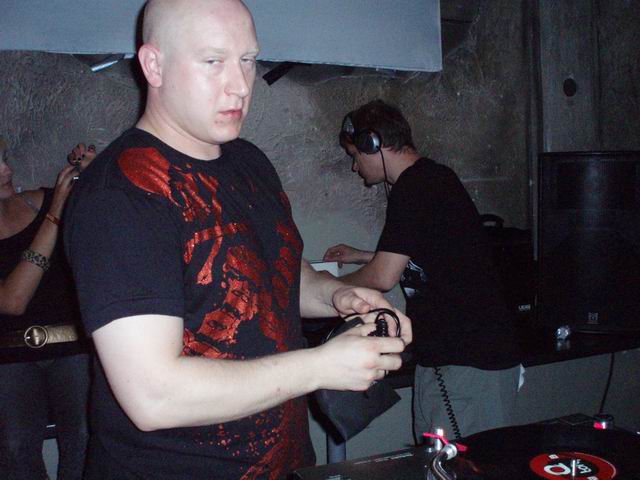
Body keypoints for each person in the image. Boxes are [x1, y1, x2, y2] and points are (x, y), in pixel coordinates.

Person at [64, 1, 411, 479]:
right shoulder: (121, 195)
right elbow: (153, 396)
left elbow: (280, 270)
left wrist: (337, 295)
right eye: (213, 61)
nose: (241, 85)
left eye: (247, 60)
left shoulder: (249, 162)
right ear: (154, 65)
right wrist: (320, 366)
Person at [323, 99, 521, 442]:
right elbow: (429, 254)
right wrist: (362, 256)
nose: (355, 167)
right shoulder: (428, 180)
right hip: (452, 361)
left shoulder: (416, 186)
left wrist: (329, 286)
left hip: (470, 363)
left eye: (355, 155)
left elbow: (384, 276)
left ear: (373, 144)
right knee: (433, 462)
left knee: (459, 465)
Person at [0, 139, 95, 479]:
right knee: (14, 447)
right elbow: (12, 301)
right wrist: (55, 213)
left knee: (86, 439)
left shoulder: (46, 198)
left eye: (3, 158)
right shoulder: (54, 205)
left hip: (74, 347)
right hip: (8, 357)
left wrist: (93, 176)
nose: (7, 170)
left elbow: (108, 228)